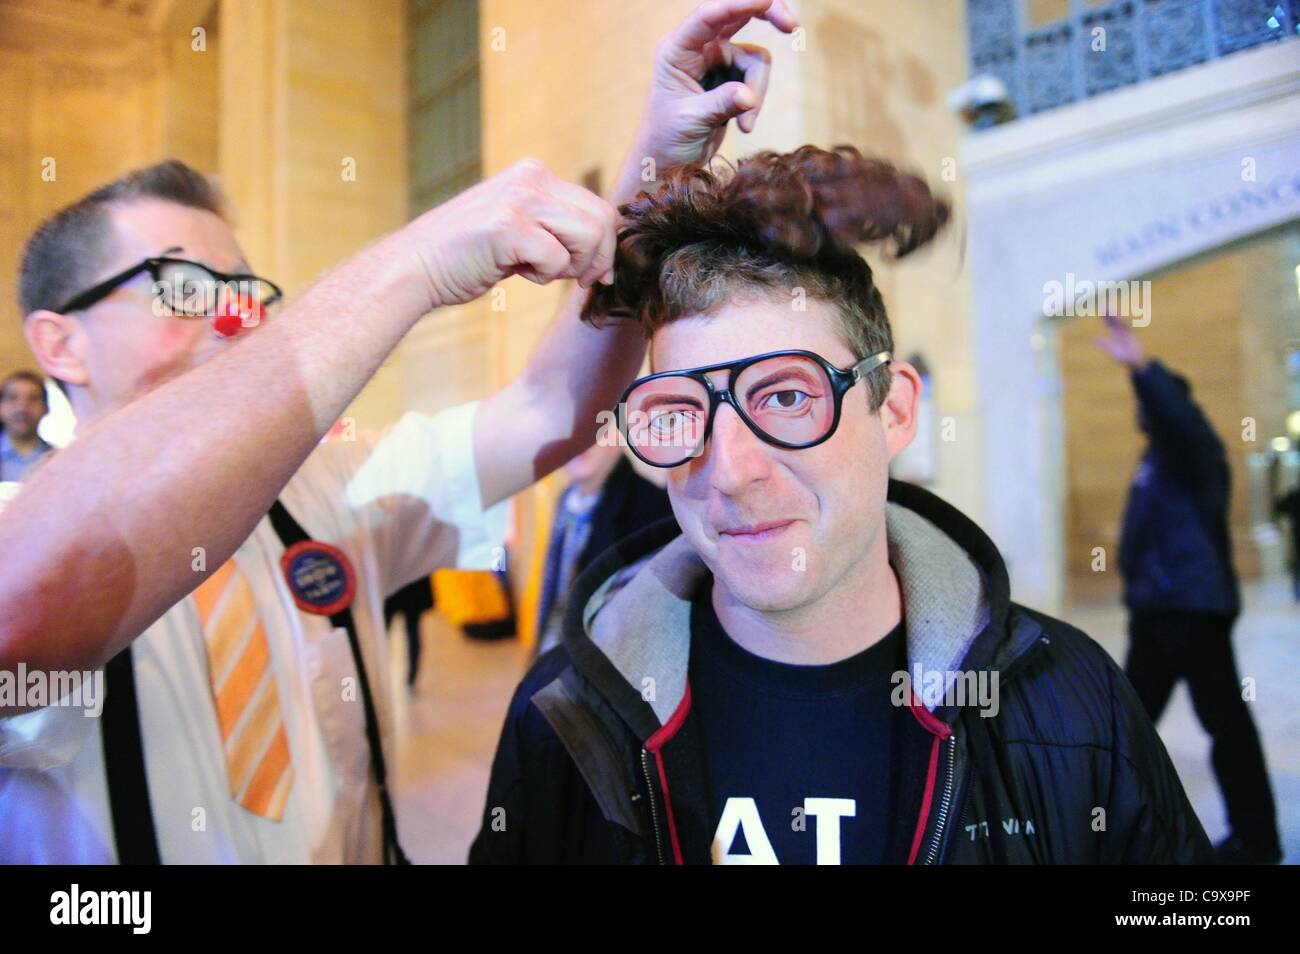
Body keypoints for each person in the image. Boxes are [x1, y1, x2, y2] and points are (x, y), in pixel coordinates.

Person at [0, 0, 800, 864]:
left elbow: (548, 411)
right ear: (59, 341)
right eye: (185, 285)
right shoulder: (20, 524)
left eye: (248, 291)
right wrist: (413, 264)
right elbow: (22, 612)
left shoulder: (323, 488)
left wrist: (659, 166)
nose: (237, 317)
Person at [470, 145, 1212, 865]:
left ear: (892, 413)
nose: (728, 471)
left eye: (788, 396)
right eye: (680, 410)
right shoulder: (565, 717)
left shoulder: (1066, 705)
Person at [1094, 313, 1282, 865]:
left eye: (1146, 400)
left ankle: (1258, 839)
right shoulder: (1157, 458)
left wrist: (1142, 367)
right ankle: (1105, 827)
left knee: (1223, 726)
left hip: (1191, 612)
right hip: (1159, 612)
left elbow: (1176, 417)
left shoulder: (1191, 449)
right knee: (1128, 721)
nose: (1138, 407)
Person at [535, 442, 673, 655]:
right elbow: (554, 593)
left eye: (596, 425)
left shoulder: (653, 511)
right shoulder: (566, 499)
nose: (581, 439)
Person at [0, 370, 53, 482]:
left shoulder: (58, 460)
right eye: (12, 398)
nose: (22, 408)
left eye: (33, 398)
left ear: (46, 408)